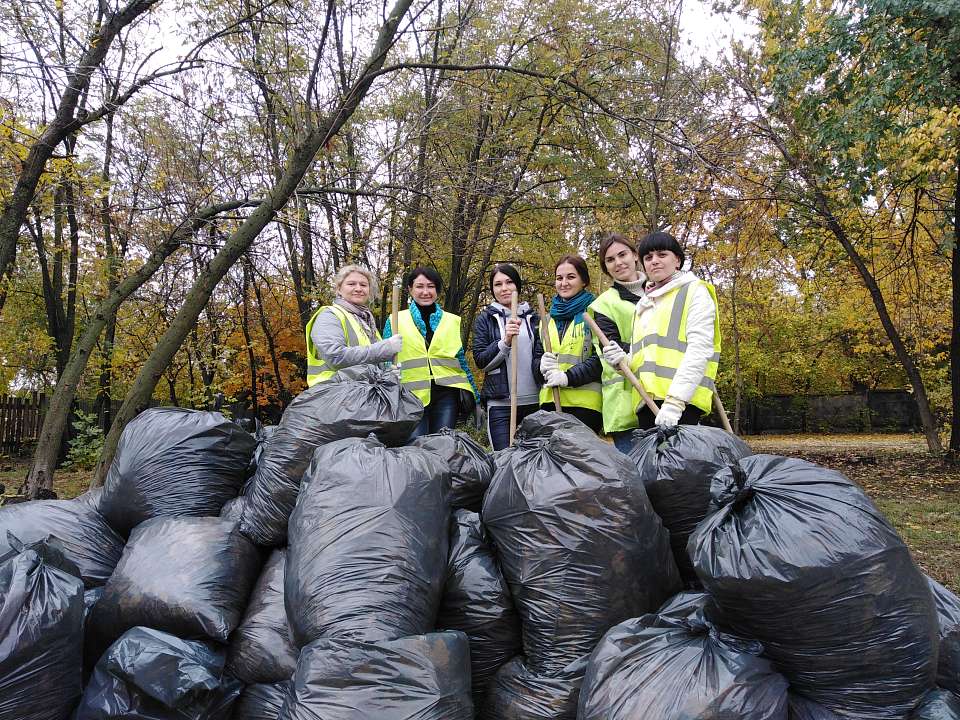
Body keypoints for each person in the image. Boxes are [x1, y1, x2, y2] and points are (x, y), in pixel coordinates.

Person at [629, 231, 720, 429]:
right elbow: (643, 357)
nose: (654, 261)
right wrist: (621, 363)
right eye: (648, 257)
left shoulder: (695, 292)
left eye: (662, 255)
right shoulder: (644, 305)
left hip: (681, 405)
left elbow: (699, 350)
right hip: (647, 403)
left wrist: (675, 402)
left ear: (677, 260)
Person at [384, 266, 479, 439]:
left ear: (437, 290)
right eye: (419, 286)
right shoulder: (396, 320)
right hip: (410, 397)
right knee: (417, 450)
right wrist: (388, 375)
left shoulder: (451, 321)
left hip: (446, 397)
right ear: (410, 289)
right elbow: (384, 359)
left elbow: (460, 360)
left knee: (443, 447)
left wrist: (475, 398)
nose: (425, 291)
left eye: (431, 286)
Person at [588, 232, 648, 451]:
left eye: (622, 255)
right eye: (610, 260)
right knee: (639, 479)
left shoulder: (661, 292)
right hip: (626, 405)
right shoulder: (604, 305)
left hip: (665, 396)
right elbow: (611, 345)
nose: (618, 263)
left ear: (634, 255)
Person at [472, 263, 540, 450]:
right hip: (501, 404)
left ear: (517, 285)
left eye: (509, 282)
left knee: (535, 464)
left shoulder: (534, 318)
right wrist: (505, 341)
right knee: (504, 462)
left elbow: (541, 355)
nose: (504, 288)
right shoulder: (485, 319)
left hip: (535, 403)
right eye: (498, 284)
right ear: (492, 289)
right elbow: (481, 361)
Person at [531, 255, 602, 433]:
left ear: (584, 280)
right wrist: (540, 366)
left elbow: (600, 359)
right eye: (559, 278)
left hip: (585, 407)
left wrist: (567, 377)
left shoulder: (595, 313)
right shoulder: (546, 321)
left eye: (571, 277)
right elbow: (535, 361)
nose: (564, 283)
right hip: (549, 403)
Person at [304, 264, 402, 386]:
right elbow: (336, 357)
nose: (358, 288)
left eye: (363, 285)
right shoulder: (329, 316)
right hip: (336, 396)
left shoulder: (367, 322)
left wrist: (388, 374)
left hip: (362, 396)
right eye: (351, 284)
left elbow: (368, 365)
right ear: (339, 289)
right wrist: (385, 348)